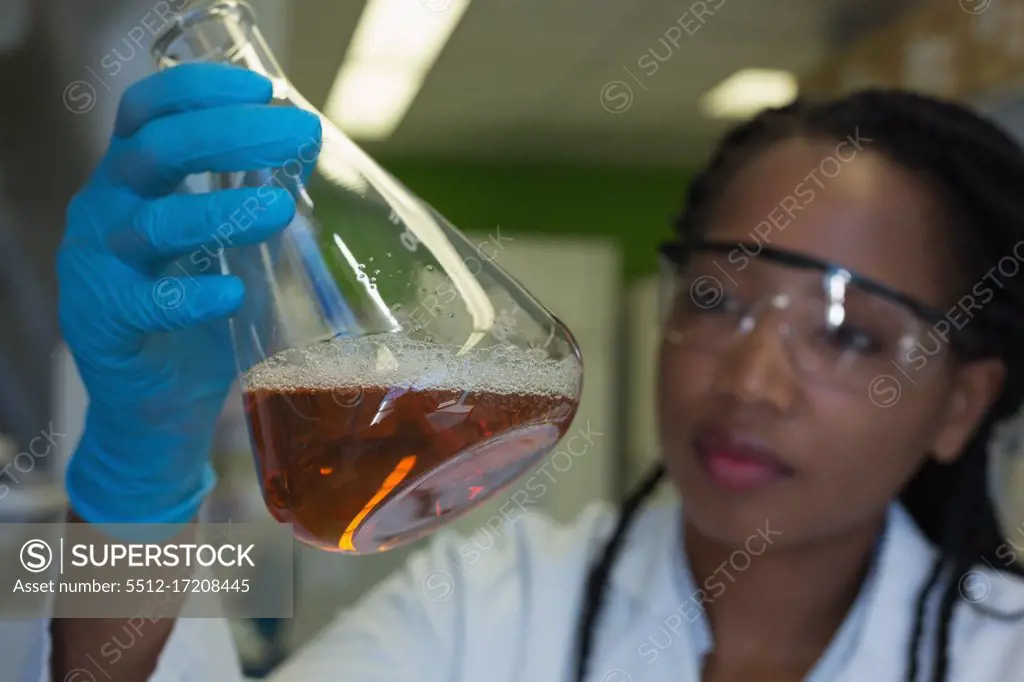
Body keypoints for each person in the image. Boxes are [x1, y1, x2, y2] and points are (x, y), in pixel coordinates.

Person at [22, 62, 1024, 681]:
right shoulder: (489, 600)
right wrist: (138, 489)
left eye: (849, 335)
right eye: (717, 299)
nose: (751, 380)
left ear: (961, 404)